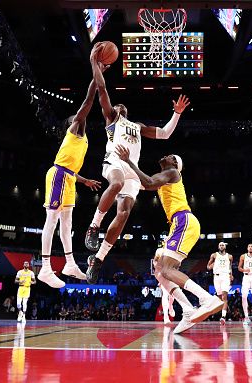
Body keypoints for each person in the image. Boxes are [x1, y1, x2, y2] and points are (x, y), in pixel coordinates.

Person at [85, 43, 191, 284]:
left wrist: (176, 113)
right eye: (116, 105)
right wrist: (94, 63)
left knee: (123, 214)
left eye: (122, 105)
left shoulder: (138, 126)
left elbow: (164, 133)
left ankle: (99, 259)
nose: (118, 105)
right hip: (115, 161)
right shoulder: (112, 118)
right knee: (115, 183)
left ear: (127, 111)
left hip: (132, 170)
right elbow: (101, 88)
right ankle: (94, 226)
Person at [115, 146, 223, 334]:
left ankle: (207, 299)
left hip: (183, 220)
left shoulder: (172, 173)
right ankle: (188, 310)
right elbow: (140, 182)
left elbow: (148, 182)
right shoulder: (165, 179)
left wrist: (128, 161)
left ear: (175, 164)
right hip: (177, 224)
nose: (166, 155)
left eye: (171, 156)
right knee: (159, 270)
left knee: (167, 269)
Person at [38, 74, 103, 288]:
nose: (80, 116)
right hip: (58, 175)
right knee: (52, 220)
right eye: (77, 116)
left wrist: (84, 181)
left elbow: (71, 169)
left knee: (68, 224)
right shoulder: (74, 129)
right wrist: (96, 75)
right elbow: (88, 102)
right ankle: (46, 268)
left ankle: (70, 264)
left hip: (68, 177)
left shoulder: (81, 140)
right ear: (72, 123)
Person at [207, 242, 233, 325]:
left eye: (223, 245)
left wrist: (231, 275)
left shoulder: (230, 256)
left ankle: (223, 317)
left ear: (225, 246)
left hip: (225, 276)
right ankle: (225, 310)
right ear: (218, 247)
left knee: (224, 296)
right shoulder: (214, 255)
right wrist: (213, 264)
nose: (221, 246)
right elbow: (208, 266)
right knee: (219, 298)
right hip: (216, 277)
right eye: (220, 245)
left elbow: (230, 267)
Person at [154, 247, 175, 324]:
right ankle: (166, 317)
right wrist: (160, 281)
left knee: (172, 296)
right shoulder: (156, 260)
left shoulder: (170, 255)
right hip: (163, 277)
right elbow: (157, 271)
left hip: (171, 276)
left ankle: (170, 306)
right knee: (165, 295)